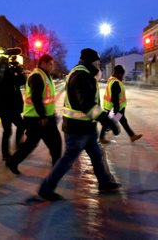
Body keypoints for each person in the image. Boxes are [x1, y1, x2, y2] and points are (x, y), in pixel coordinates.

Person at [38, 48, 121, 201]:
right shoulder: (82, 76)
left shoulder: (83, 73)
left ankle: (104, 182)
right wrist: (107, 120)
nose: (99, 65)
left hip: (86, 127)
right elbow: (87, 105)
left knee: (97, 155)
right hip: (77, 129)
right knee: (67, 161)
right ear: (91, 62)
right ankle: (46, 188)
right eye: (97, 62)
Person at [7, 54, 62, 174]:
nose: (52, 67)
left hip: (41, 117)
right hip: (38, 118)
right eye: (50, 64)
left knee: (31, 144)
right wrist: (43, 116)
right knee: (55, 143)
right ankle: (57, 169)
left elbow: (46, 98)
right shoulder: (37, 76)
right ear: (43, 63)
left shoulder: (44, 76)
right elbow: (36, 98)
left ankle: (13, 162)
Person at [0, 55, 26, 163]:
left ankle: (14, 147)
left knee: (16, 128)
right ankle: (7, 153)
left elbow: (22, 81)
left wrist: (19, 71)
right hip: (7, 108)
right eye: (4, 63)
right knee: (9, 131)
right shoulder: (0, 74)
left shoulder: (10, 72)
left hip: (11, 108)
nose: (6, 65)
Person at [99, 65, 143, 144]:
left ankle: (131, 135)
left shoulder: (112, 80)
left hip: (115, 107)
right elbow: (114, 98)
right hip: (115, 108)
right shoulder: (116, 82)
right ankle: (103, 136)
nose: (123, 76)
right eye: (122, 74)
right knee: (115, 121)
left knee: (120, 120)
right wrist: (116, 109)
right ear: (120, 74)